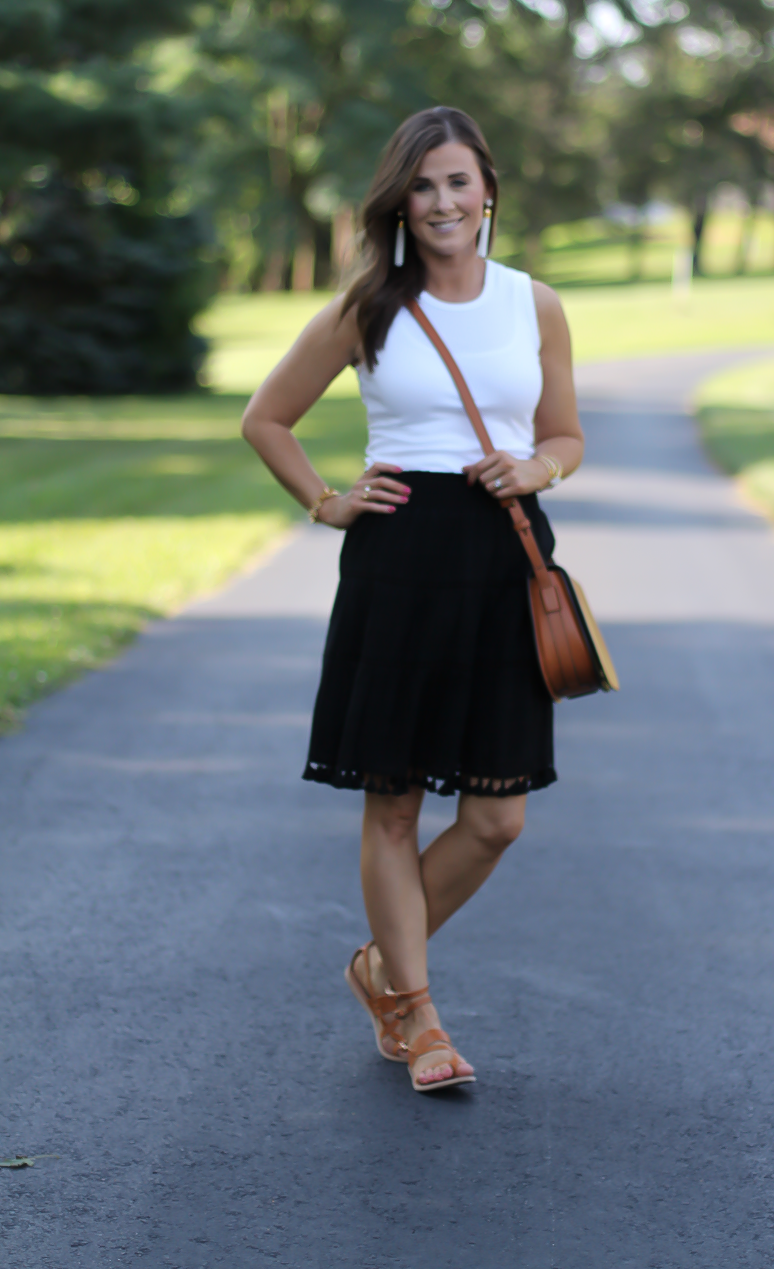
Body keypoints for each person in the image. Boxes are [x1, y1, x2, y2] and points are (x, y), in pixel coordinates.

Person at [242, 105, 584, 1092]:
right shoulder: (368, 308)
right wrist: (326, 501)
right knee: (393, 803)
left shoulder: (536, 304)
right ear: (400, 199)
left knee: (495, 818)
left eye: (457, 182)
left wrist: (539, 470)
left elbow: (564, 434)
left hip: (501, 557)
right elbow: (266, 418)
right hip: (397, 561)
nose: (441, 202)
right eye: (422, 185)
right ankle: (420, 1017)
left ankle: (381, 968)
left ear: (488, 193)